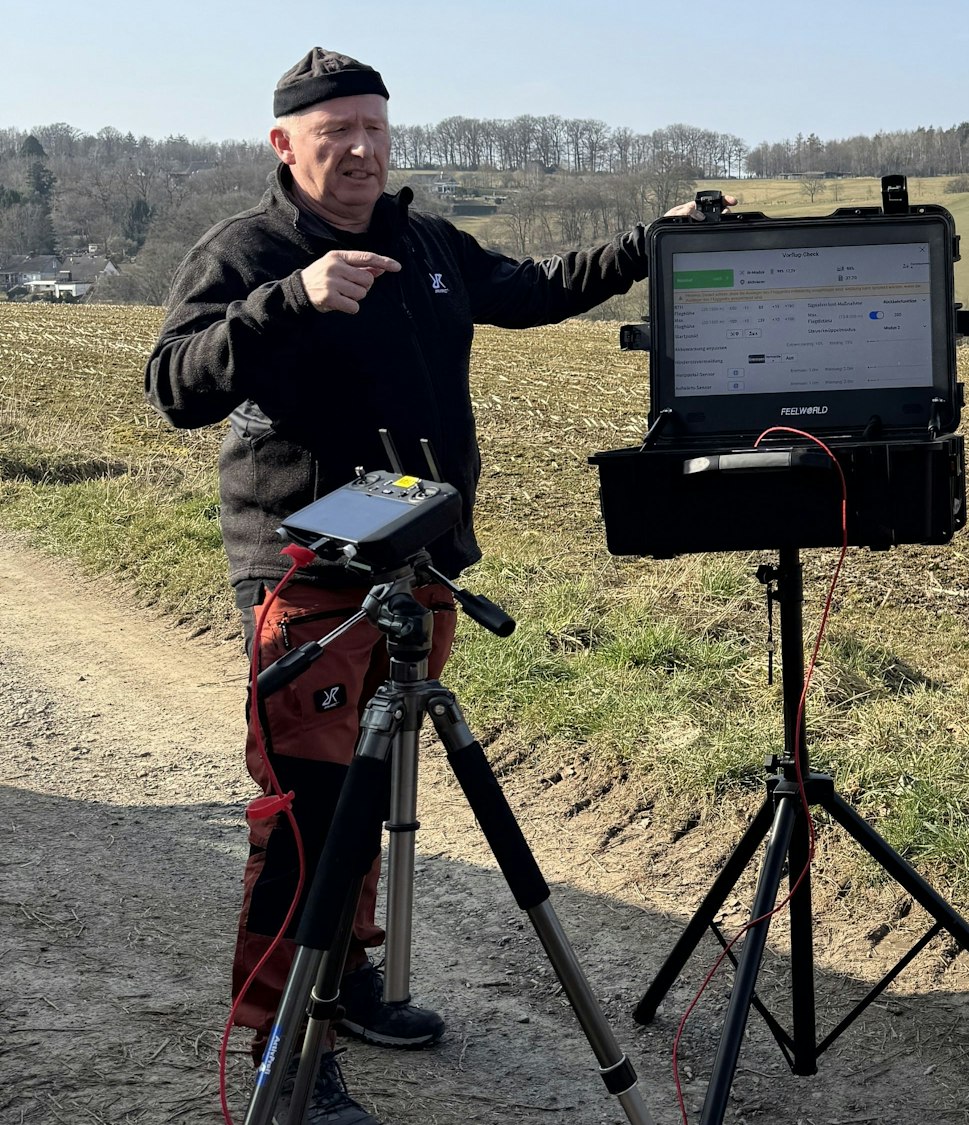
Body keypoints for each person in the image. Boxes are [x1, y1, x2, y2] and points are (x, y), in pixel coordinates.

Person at [144, 47, 721, 1125]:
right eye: (333, 136)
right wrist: (289, 302)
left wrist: (652, 244)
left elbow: (535, 290)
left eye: (372, 130)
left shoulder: (423, 243)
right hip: (307, 580)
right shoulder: (248, 252)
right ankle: (282, 1049)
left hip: (420, 564)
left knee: (372, 797)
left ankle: (347, 981)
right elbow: (173, 383)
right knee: (308, 820)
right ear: (286, 146)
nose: (359, 151)